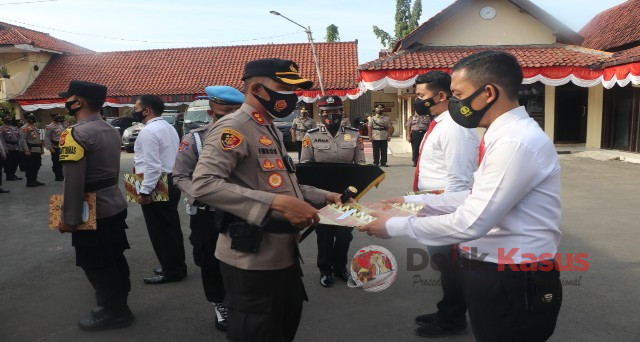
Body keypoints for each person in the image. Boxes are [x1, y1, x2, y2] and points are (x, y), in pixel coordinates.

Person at [359, 51, 563, 342]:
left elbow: (472, 221)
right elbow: (473, 197)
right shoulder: (502, 135)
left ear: (488, 93)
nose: (454, 103)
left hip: (513, 276)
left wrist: (393, 226)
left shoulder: (516, 142)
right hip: (496, 270)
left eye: (458, 94)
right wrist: (412, 203)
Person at [192, 58, 343, 342]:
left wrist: (326, 197)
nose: (291, 95)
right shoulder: (234, 127)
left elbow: (285, 184)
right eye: (284, 87)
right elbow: (203, 184)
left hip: (283, 253)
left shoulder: (268, 126)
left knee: (284, 326)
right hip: (251, 259)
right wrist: (275, 204)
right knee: (257, 331)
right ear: (258, 89)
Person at [407, 71, 479, 338]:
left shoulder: (455, 127)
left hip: (446, 210)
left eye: (421, 97)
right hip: (432, 206)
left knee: (452, 268)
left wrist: (449, 219)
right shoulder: (440, 122)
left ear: (441, 95)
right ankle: (447, 309)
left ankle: (452, 319)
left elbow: (459, 181)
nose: (417, 102)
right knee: (444, 266)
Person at [57, 80, 133, 331]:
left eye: (68, 98)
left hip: (91, 207)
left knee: (95, 262)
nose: (65, 102)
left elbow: (73, 182)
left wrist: (68, 217)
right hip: (113, 202)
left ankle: (114, 312)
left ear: (78, 102)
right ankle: (118, 305)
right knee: (113, 257)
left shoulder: (75, 133)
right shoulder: (110, 129)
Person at [172, 85, 244, 331]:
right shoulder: (195, 139)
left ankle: (241, 301)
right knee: (210, 261)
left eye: (237, 111)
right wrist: (202, 194)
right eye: (226, 112)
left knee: (243, 257)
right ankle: (219, 303)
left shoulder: (250, 136)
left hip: (241, 211)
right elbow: (180, 175)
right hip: (208, 214)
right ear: (212, 113)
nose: (233, 117)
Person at [300, 95, 365, 287]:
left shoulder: (354, 135)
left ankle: (340, 267)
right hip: (322, 196)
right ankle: (325, 270)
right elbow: (305, 168)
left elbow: (360, 165)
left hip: (347, 196)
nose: (331, 116)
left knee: (345, 235)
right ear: (320, 114)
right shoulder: (310, 136)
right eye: (327, 113)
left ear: (341, 112)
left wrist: (354, 192)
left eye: (335, 112)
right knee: (325, 235)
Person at [133, 94, 186, 284]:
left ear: (147, 110)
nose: (134, 111)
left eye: (136, 108)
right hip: (170, 179)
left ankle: (171, 270)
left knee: (160, 231)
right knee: (170, 228)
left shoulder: (148, 132)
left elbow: (152, 166)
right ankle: (176, 266)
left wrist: (145, 191)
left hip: (157, 182)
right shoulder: (168, 127)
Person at [20, 113, 44, 187]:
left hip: (37, 149)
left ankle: (34, 179)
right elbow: (23, 140)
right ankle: (30, 181)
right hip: (31, 150)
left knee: (37, 165)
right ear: (29, 119)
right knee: (30, 166)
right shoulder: (24, 128)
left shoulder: (34, 127)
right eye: (32, 118)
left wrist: (41, 149)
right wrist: (26, 150)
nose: (34, 119)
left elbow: (38, 139)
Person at [44, 114, 66, 181]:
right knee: (56, 162)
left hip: (62, 146)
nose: (59, 118)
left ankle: (61, 175)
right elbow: (47, 138)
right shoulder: (49, 126)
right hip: (55, 147)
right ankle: (58, 176)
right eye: (57, 117)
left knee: (62, 162)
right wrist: (50, 148)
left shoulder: (60, 125)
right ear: (54, 118)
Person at [1, 116, 22, 181]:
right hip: (8, 147)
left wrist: (19, 146)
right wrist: (5, 149)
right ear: (4, 120)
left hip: (15, 147)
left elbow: (18, 138)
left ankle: (13, 174)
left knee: (15, 162)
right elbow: (1, 139)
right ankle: (9, 175)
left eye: (10, 119)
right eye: (7, 119)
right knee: (8, 162)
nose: (9, 120)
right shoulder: (2, 128)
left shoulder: (14, 128)